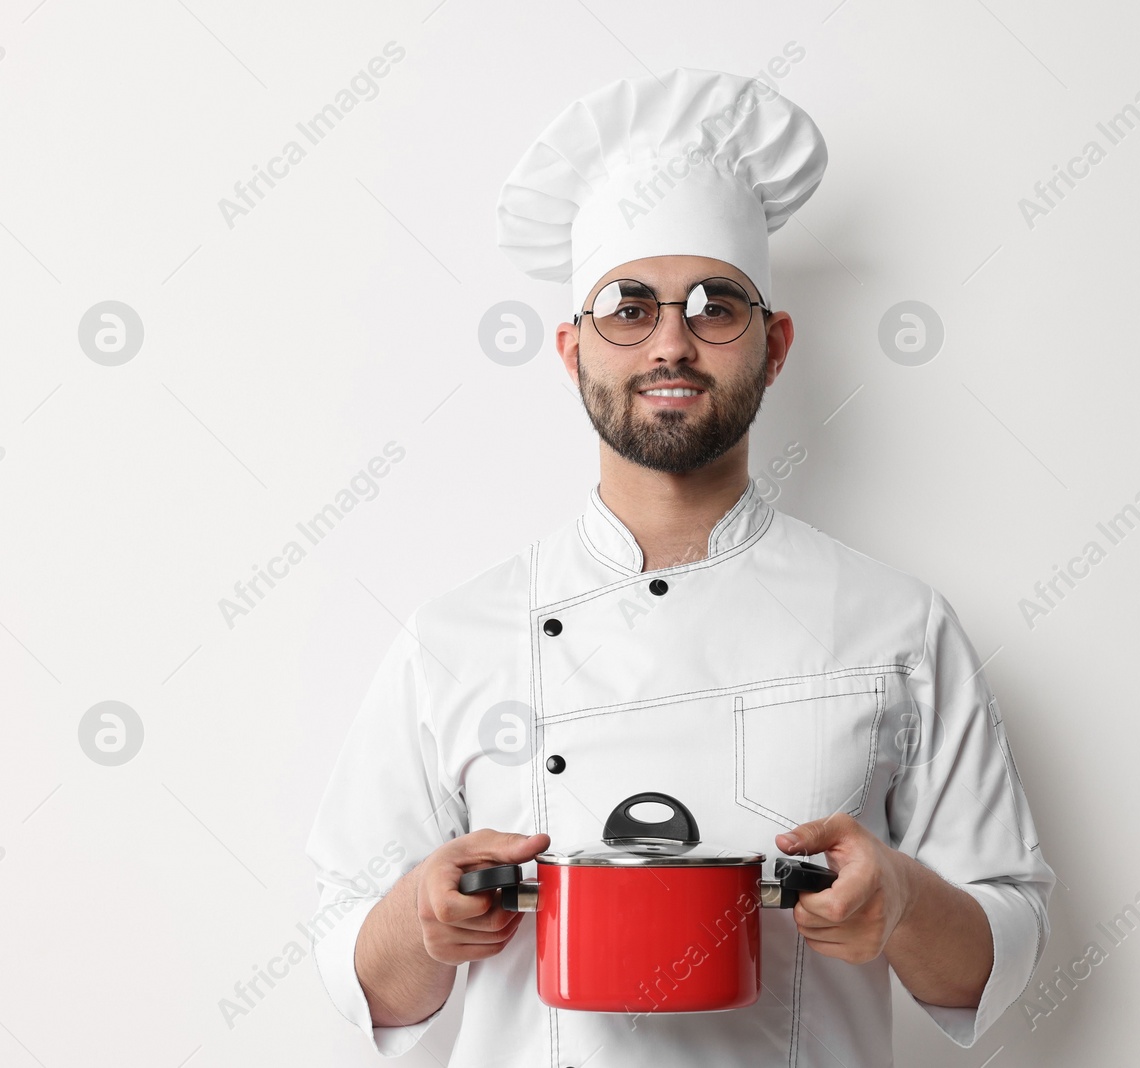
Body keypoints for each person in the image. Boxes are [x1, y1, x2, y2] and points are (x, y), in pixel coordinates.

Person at [305, 67, 1054, 1066]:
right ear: (572, 350)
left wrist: (904, 901)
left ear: (774, 345)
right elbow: (355, 970)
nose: (671, 343)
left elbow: (1002, 952)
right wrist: (422, 921)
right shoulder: (453, 640)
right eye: (628, 306)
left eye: (715, 308)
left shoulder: (898, 625)